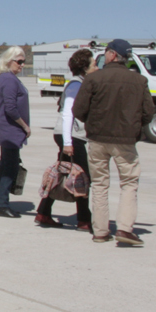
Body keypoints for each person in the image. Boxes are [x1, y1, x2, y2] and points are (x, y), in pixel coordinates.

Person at [72, 38, 155, 246]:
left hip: (97, 139)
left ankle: (100, 231)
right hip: (126, 140)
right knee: (129, 183)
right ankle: (125, 229)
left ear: (111, 55)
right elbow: (149, 113)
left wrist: (93, 122)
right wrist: (134, 127)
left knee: (99, 184)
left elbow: (78, 110)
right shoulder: (139, 81)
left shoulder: (93, 79)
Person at [37, 48, 94, 230]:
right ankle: (84, 220)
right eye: (93, 64)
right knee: (82, 177)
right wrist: (68, 143)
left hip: (69, 135)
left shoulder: (80, 83)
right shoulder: (77, 85)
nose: (96, 67)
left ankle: (44, 212)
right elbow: (68, 113)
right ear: (84, 67)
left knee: (61, 173)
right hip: (70, 135)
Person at [0, 46, 30, 217]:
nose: (22, 65)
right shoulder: (8, 79)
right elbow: (11, 108)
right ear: (9, 61)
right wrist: (24, 125)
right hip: (9, 129)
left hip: (8, 129)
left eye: (24, 62)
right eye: (19, 62)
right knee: (9, 167)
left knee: (8, 165)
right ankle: (2, 204)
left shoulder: (9, 78)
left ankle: (1, 202)